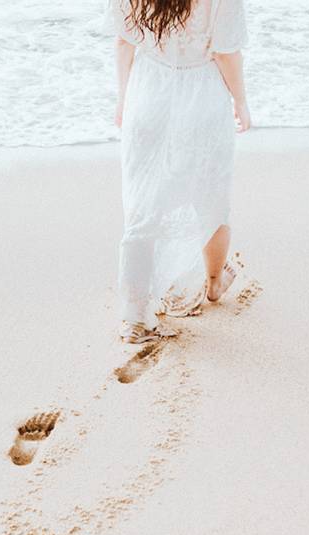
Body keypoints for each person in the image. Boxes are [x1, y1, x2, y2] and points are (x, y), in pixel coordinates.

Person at [104, 0, 251, 344]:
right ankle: (214, 283)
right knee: (210, 197)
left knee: (142, 205)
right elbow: (226, 52)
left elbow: (124, 40)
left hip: (148, 90)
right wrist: (241, 101)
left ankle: (134, 316)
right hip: (201, 96)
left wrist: (124, 96)